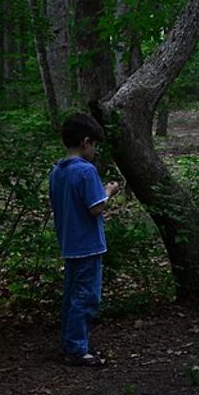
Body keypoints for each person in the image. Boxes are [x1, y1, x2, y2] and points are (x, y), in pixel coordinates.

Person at [50, 114, 120, 366]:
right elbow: (96, 207)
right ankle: (77, 349)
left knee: (72, 295)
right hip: (87, 245)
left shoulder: (57, 171)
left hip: (69, 243)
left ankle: (69, 342)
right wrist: (109, 191)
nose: (95, 151)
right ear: (85, 142)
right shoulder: (86, 171)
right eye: (95, 145)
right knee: (87, 296)